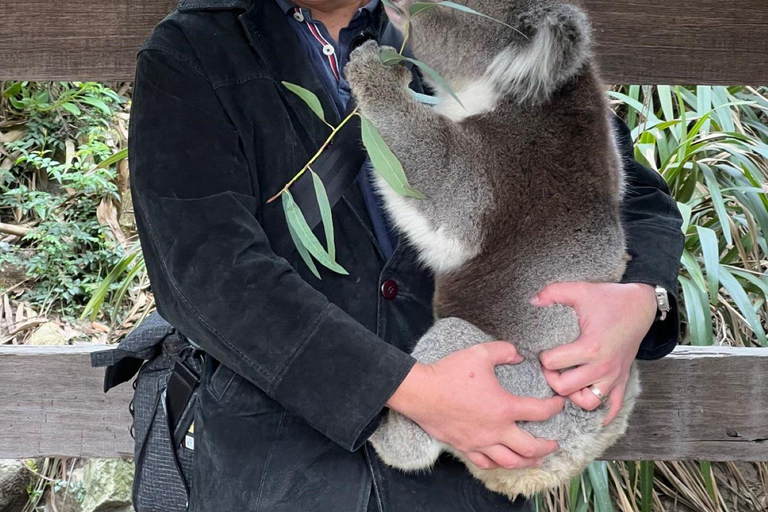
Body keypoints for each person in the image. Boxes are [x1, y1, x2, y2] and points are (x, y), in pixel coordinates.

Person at [128, 0, 684, 510]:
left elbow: (625, 197)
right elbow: (206, 274)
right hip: (280, 471)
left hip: (466, 480)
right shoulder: (197, 51)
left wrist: (641, 299)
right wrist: (412, 392)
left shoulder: (475, 21)